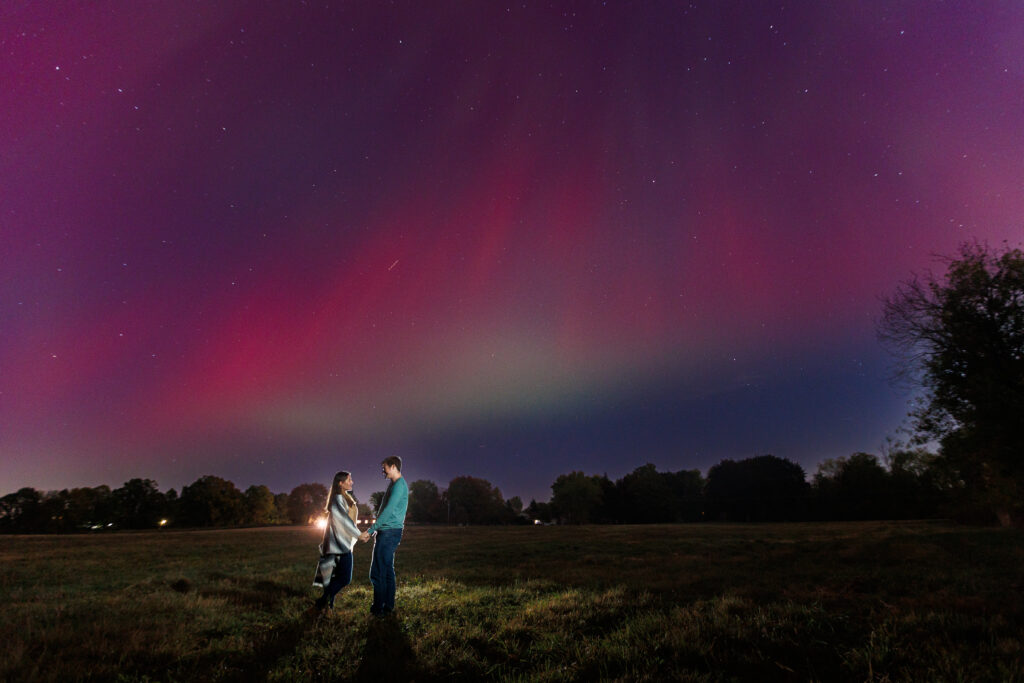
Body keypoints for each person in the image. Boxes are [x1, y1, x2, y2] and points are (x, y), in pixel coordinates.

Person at [360, 455, 408, 617]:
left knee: (377, 572)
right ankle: (388, 606)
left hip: (389, 533)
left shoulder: (399, 486)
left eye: (385, 467)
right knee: (387, 571)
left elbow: (388, 511)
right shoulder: (393, 484)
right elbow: (383, 508)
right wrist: (375, 529)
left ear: (393, 466)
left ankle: (378, 609)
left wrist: (371, 530)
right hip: (387, 531)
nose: (383, 471)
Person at [313, 470, 363, 611]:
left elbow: (350, 520)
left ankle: (328, 607)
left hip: (342, 544)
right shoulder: (337, 499)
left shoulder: (345, 497)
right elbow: (344, 520)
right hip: (338, 546)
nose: (352, 482)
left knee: (333, 578)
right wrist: (359, 534)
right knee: (344, 579)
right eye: (349, 480)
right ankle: (322, 602)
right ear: (340, 483)